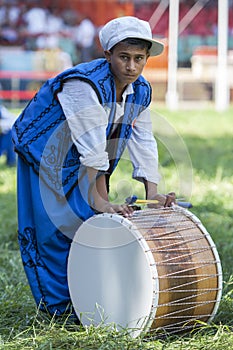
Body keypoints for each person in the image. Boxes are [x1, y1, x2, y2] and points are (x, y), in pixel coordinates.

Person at [12, 16, 176, 318]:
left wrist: (153, 194)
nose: (131, 66)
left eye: (139, 58)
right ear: (107, 56)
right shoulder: (82, 84)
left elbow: (143, 142)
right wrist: (100, 201)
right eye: (124, 57)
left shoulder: (140, 90)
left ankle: (89, 300)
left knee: (88, 224)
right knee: (54, 230)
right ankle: (58, 309)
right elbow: (92, 146)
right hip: (43, 151)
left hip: (86, 156)